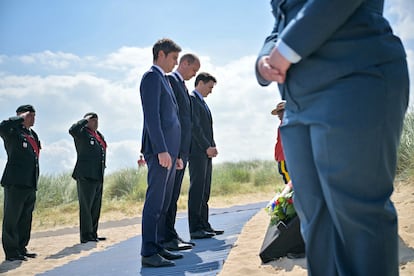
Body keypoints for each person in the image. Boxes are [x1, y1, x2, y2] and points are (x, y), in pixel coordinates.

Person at [256, 1, 409, 275]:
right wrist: (264, 60)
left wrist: (287, 50)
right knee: (314, 218)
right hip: (296, 101)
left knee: (357, 215)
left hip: (353, 75)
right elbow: (280, 21)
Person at [139, 38, 184, 268]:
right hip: (160, 152)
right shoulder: (151, 77)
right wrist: (161, 150)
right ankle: (149, 252)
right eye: (174, 58)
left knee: (164, 203)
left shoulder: (164, 80)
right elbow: (152, 118)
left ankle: (159, 247)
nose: (176, 63)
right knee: (155, 202)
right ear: (161, 55)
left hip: (169, 153)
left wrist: (174, 154)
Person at [163, 53, 200, 251]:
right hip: (175, 149)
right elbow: (173, 119)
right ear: (185, 63)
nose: (194, 74)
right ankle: (167, 237)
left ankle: (170, 233)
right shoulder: (170, 81)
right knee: (168, 197)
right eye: (194, 69)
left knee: (174, 195)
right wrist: (176, 151)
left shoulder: (182, 86)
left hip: (183, 149)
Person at [0, 104, 40, 261]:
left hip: (30, 182)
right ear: (22, 115)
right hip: (15, 181)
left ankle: (21, 248)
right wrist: (19, 118)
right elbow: (1, 127)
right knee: (12, 218)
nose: (33, 118)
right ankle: (11, 252)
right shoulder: (12, 131)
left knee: (25, 218)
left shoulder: (32, 134)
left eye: (34, 115)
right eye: (30, 115)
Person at [188, 72, 223, 239]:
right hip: (197, 152)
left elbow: (207, 128)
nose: (211, 91)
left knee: (205, 189)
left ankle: (204, 224)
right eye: (209, 87)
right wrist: (205, 146)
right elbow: (194, 127)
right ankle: (195, 228)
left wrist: (212, 145)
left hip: (206, 152)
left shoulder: (203, 102)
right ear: (200, 83)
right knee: (197, 189)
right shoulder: (192, 100)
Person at [69, 112, 107, 244]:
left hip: (97, 175)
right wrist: (84, 121)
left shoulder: (99, 136)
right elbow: (72, 130)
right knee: (86, 207)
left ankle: (93, 233)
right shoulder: (82, 133)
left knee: (95, 207)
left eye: (97, 120)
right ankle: (86, 235)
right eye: (92, 120)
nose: (95, 122)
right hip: (85, 175)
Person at [271, 100, 290, 185]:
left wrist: (277, 155)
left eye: (281, 111)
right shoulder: (290, 124)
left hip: (284, 157)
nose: (278, 115)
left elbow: (280, 143)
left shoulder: (284, 125)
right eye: (278, 112)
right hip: (287, 157)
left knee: (289, 181)